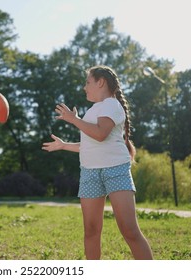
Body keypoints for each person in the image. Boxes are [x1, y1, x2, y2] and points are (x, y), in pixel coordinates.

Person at [42, 65, 153, 260]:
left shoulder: (111, 104)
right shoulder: (93, 110)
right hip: (89, 173)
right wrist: (64, 145)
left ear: (100, 82)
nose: (85, 87)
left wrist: (73, 120)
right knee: (91, 231)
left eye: (88, 82)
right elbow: (90, 144)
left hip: (115, 170)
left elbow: (101, 134)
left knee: (129, 230)